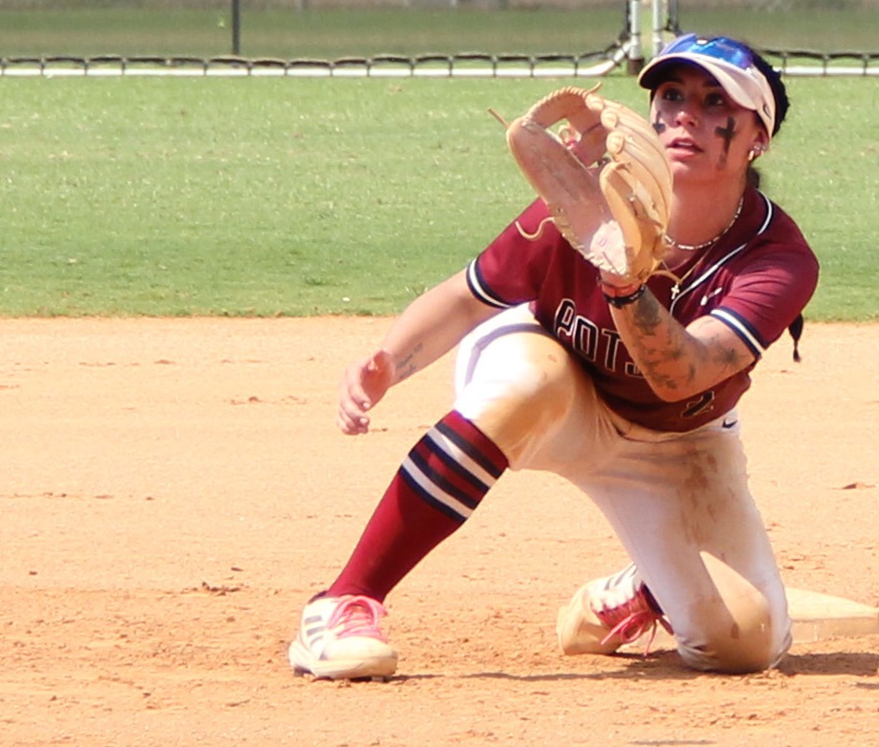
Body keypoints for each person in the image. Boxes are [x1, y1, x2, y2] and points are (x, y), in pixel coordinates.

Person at [288, 33, 817, 679]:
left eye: (716, 104)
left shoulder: (776, 259)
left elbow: (684, 375)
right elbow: (466, 297)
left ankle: (639, 589)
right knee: (530, 380)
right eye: (672, 95)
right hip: (552, 391)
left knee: (747, 643)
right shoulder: (581, 209)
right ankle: (345, 601)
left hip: (676, 441)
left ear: (758, 136)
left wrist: (624, 285)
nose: (687, 116)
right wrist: (388, 365)